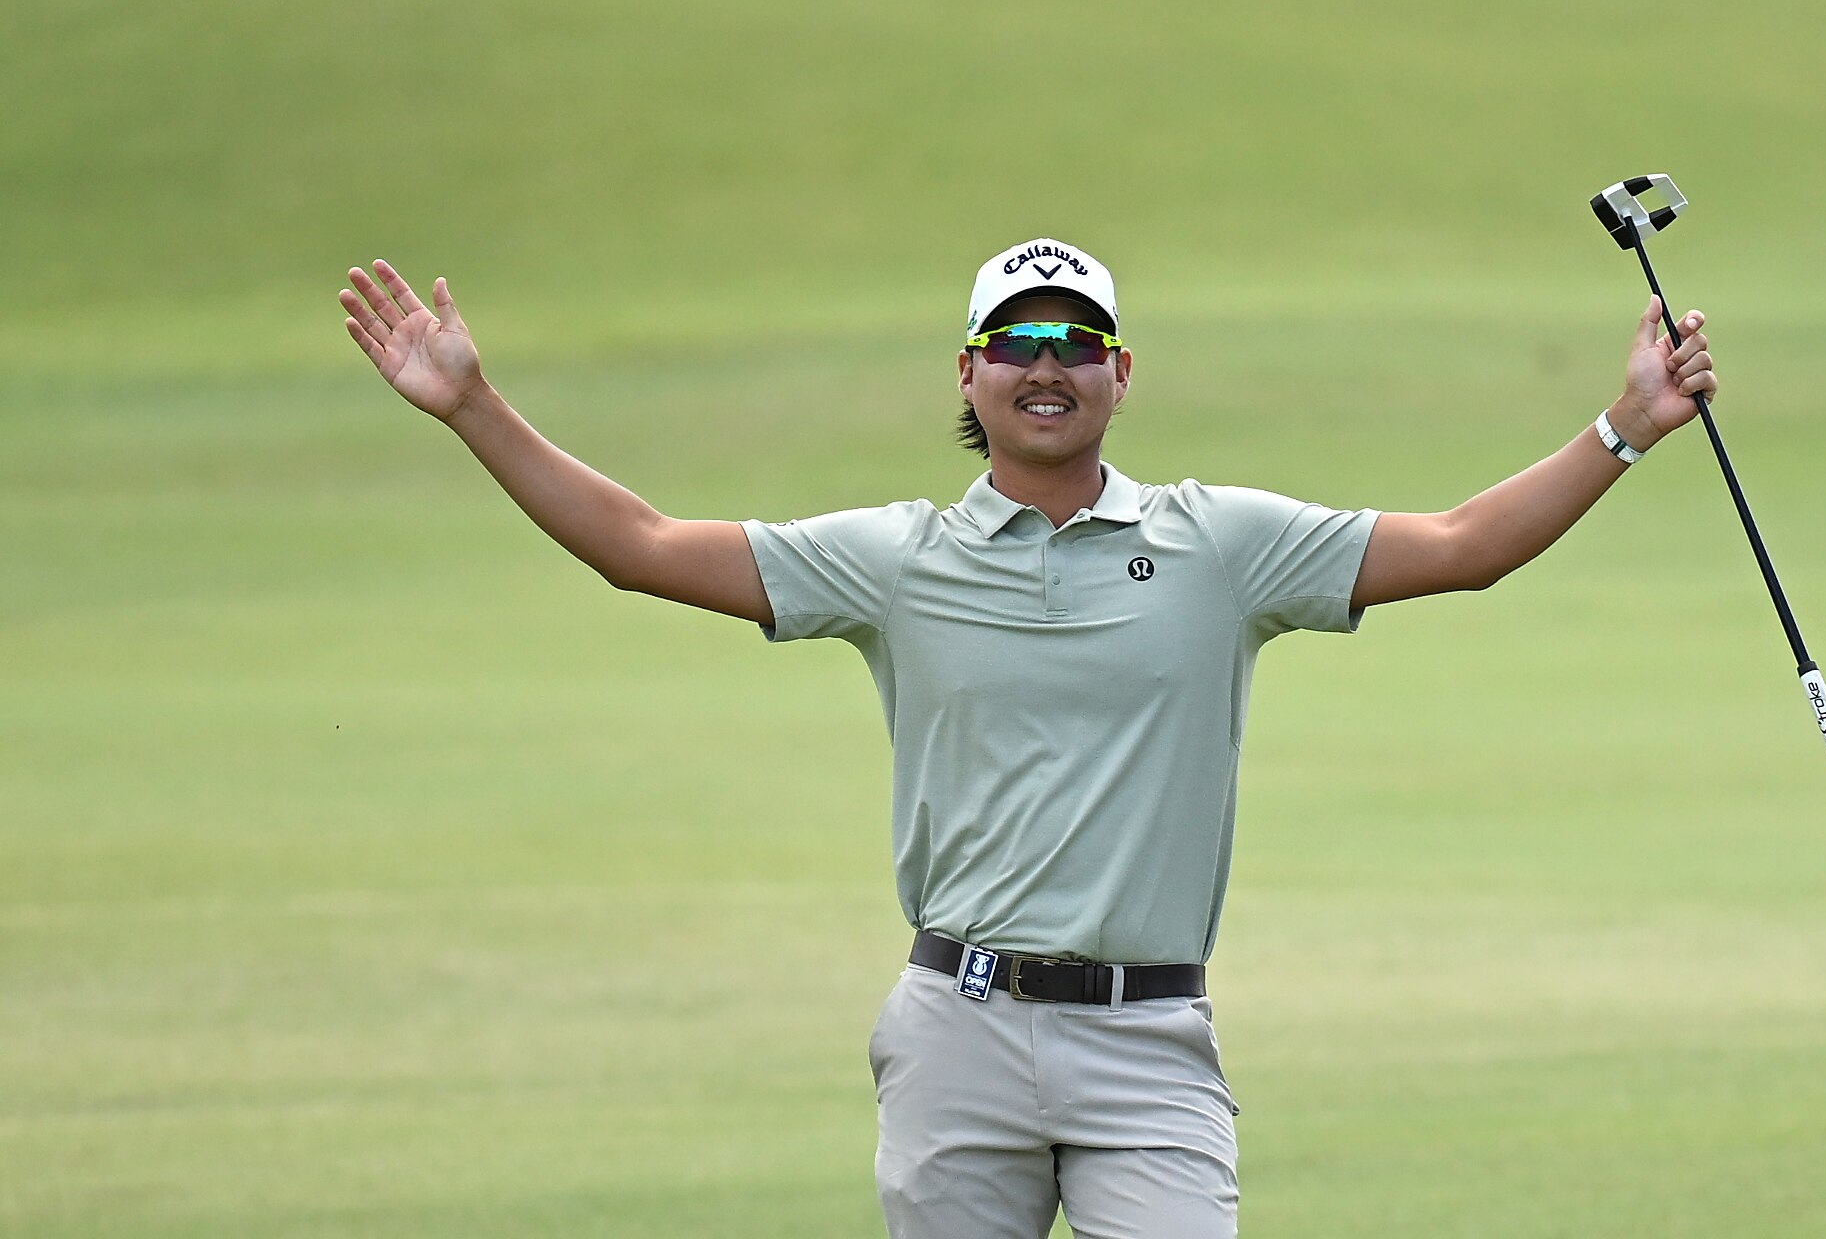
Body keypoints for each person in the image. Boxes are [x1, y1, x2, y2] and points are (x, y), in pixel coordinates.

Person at [337, 237, 1715, 1239]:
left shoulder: (1221, 543)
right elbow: (639, 549)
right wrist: (471, 406)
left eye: (1074, 345)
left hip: (1149, 1037)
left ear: (1120, 372)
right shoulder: (895, 559)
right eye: (1018, 343)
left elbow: (1465, 548)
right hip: (959, 1031)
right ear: (971, 371)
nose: (1045, 368)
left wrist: (1630, 423)